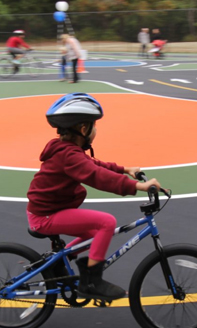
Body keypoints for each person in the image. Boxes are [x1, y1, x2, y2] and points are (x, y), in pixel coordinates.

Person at [26, 93, 163, 301]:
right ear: (83, 129)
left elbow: (95, 165)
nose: (96, 129)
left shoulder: (68, 150)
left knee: (94, 234)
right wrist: (139, 186)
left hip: (48, 210)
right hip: (45, 216)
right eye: (94, 125)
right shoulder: (69, 155)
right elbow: (97, 176)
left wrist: (125, 169)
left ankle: (57, 265)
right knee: (106, 223)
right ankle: (91, 282)